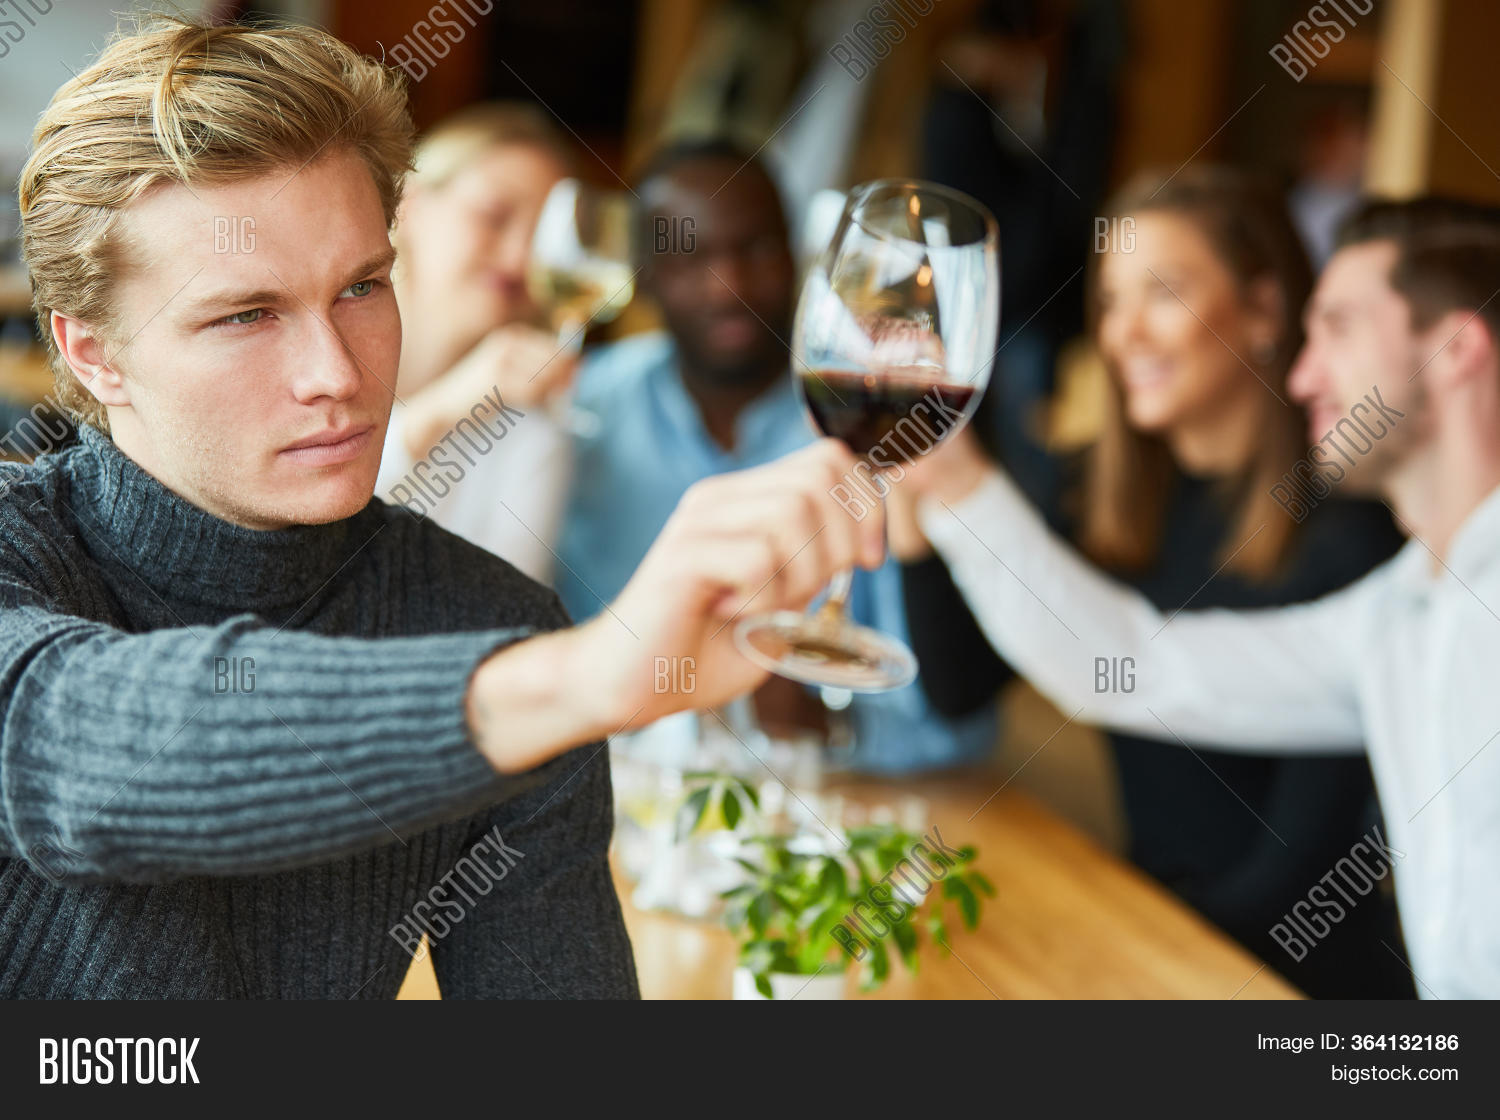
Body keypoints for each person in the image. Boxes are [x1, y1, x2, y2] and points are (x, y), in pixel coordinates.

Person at [1, 16, 882, 999]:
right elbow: (74, 745)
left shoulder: (489, 624)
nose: (336, 373)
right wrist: (575, 682)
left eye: (361, 287)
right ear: (94, 352)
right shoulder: (16, 551)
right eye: (246, 314)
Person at [893, 196, 1500, 998]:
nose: (1303, 373)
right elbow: (1133, 666)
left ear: (1456, 349)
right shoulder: (1398, 615)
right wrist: (956, 483)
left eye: (1340, 328)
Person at [555, 138, 998, 771]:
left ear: (799, 258)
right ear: (646, 276)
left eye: (756, 248)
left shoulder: (882, 432)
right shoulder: (579, 415)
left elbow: (956, 729)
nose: (728, 285)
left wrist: (827, 722)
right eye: (691, 258)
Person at [374, 103, 581, 583]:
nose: (518, 257)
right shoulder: (318, 357)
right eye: (494, 216)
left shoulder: (533, 425)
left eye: (545, 238)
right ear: (409, 205)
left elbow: (510, 606)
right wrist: (437, 414)